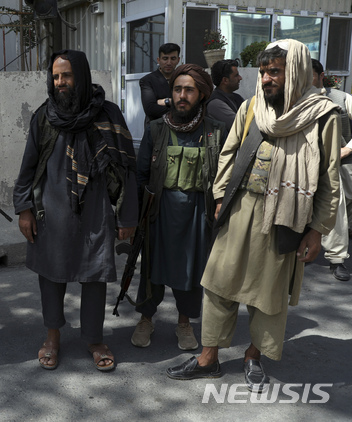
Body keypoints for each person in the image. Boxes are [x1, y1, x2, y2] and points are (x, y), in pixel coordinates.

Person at [166, 40, 340, 392]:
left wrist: (317, 231)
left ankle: (253, 355)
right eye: (262, 72)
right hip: (240, 208)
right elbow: (229, 154)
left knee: (269, 294)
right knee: (218, 284)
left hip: (287, 217)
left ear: (295, 72)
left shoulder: (323, 115)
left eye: (274, 71)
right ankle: (208, 357)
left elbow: (329, 178)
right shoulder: (252, 107)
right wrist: (219, 197)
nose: (265, 79)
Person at [13, 50, 139, 372]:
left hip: (96, 210)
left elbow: (126, 169)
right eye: (55, 77)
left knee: (94, 275)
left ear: (80, 76)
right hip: (51, 212)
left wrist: (126, 216)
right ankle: (52, 335)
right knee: (51, 277)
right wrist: (24, 209)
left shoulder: (107, 114)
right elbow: (28, 168)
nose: (60, 83)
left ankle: (94, 339)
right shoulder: (44, 116)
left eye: (66, 76)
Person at [131, 64, 226, 351]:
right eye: (177, 89)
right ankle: (146, 319)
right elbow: (141, 174)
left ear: (202, 94)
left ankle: (184, 323)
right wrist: (136, 216)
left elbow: (224, 177)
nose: (181, 95)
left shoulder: (215, 132)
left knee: (191, 272)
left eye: (189, 90)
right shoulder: (156, 129)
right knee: (151, 269)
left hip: (197, 216)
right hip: (159, 214)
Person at [313, 59, 352, 281]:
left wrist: (347, 148)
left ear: (321, 75)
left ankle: (337, 259)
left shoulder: (341, 98)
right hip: (303, 165)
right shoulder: (294, 101)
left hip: (333, 165)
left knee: (335, 206)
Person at [140, 43, 181, 124]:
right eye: (165, 58)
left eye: (173, 58)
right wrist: (178, 109)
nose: (169, 63)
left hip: (180, 128)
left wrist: (166, 102)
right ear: (158, 60)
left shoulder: (183, 78)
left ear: (178, 60)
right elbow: (151, 109)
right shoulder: (147, 80)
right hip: (157, 128)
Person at [207, 59, 244, 131]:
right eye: (236, 75)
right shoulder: (215, 104)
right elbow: (239, 127)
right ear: (225, 80)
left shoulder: (237, 98)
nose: (240, 78)